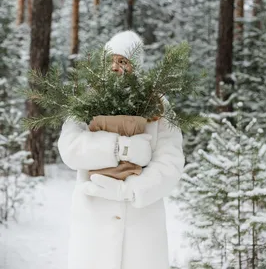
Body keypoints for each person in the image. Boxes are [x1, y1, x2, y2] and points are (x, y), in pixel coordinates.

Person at [57, 30, 185, 269]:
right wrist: (121, 148)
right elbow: (70, 146)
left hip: (142, 224)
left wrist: (130, 191)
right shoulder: (88, 99)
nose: (115, 67)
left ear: (135, 65)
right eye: (111, 60)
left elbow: (171, 161)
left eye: (123, 61)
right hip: (93, 222)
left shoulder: (158, 105)